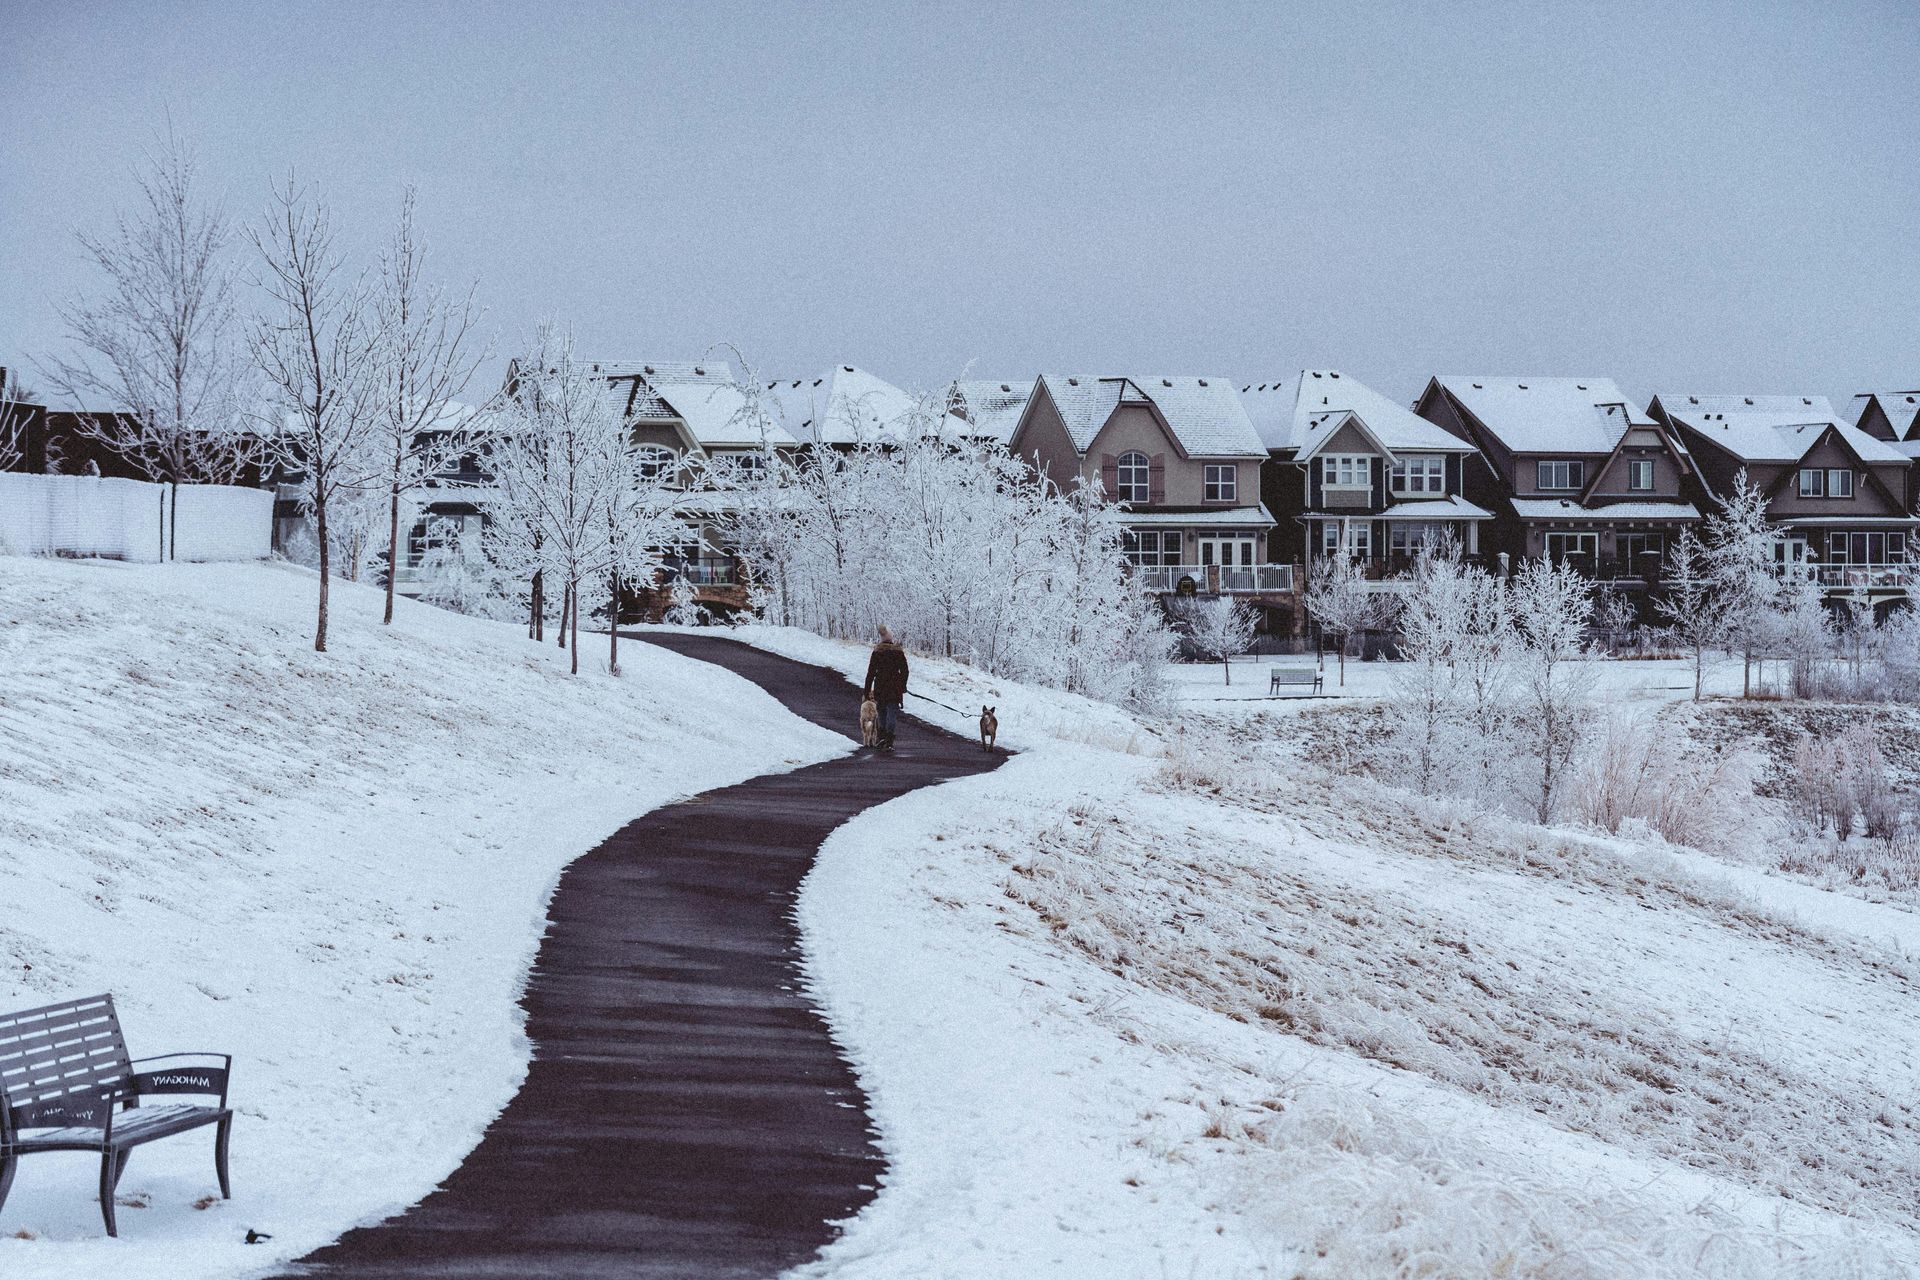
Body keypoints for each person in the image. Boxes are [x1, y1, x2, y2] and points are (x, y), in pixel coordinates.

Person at [862, 625, 909, 750]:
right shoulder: (898, 652)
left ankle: (881, 738)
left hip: (880, 687)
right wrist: (903, 685)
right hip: (895, 688)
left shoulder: (877, 652)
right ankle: (889, 740)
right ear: (891, 638)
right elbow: (905, 671)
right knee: (892, 713)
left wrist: (867, 691)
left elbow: (870, 673)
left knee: (882, 712)